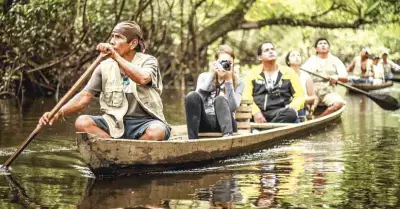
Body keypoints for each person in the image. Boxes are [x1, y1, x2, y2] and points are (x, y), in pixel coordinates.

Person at [39, 21, 170, 141]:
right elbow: (83, 98)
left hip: (146, 122)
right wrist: (57, 113)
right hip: (115, 123)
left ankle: (131, 150)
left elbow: (143, 78)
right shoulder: (104, 67)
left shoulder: (148, 61)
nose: (112, 41)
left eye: (118, 37)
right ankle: (115, 148)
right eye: (112, 36)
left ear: (133, 43)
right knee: (82, 122)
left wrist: (115, 56)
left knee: (157, 131)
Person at [185, 45, 244, 139]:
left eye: (229, 63)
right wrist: (212, 76)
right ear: (215, 63)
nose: (226, 65)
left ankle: (227, 140)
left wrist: (228, 81)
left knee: (220, 99)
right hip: (205, 122)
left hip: (227, 124)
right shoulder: (204, 77)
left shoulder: (238, 81)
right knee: (191, 95)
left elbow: (232, 107)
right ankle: (192, 141)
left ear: (233, 64)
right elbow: (197, 102)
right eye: (222, 62)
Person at [243, 41, 305, 124]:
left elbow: (300, 95)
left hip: (281, 112)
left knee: (290, 113)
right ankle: (264, 129)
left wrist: (292, 107)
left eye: (272, 49)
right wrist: (256, 112)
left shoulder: (288, 72)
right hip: (259, 113)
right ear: (260, 57)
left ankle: (262, 131)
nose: (271, 51)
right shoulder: (252, 73)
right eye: (266, 50)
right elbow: (246, 96)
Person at [301, 38, 348, 117]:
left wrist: (337, 77)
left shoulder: (335, 60)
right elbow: (302, 75)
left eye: (325, 43)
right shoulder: (311, 60)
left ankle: (319, 118)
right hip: (313, 92)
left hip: (328, 92)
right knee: (303, 105)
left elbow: (346, 78)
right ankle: (309, 113)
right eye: (320, 43)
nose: (323, 45)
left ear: (328, 48)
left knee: (339, 103)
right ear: (316, 49)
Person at [285, 50, 317, 117]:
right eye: (293, 55)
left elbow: (313, 98)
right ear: (288, 61)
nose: (296, 57)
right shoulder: (284, 76)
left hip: (302, 107)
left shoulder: (306, 77)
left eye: (298, 55)